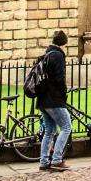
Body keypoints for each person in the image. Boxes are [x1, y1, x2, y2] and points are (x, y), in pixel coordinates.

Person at [36, 30, 71, 173]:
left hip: (43, 100)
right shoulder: (58, 55)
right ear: (64, 43)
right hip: (54, 99)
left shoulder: (47, 55)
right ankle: (56, 160)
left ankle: (44, 162)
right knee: (66, 127)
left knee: (49, 131)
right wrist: (63, 95)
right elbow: (59, 79)